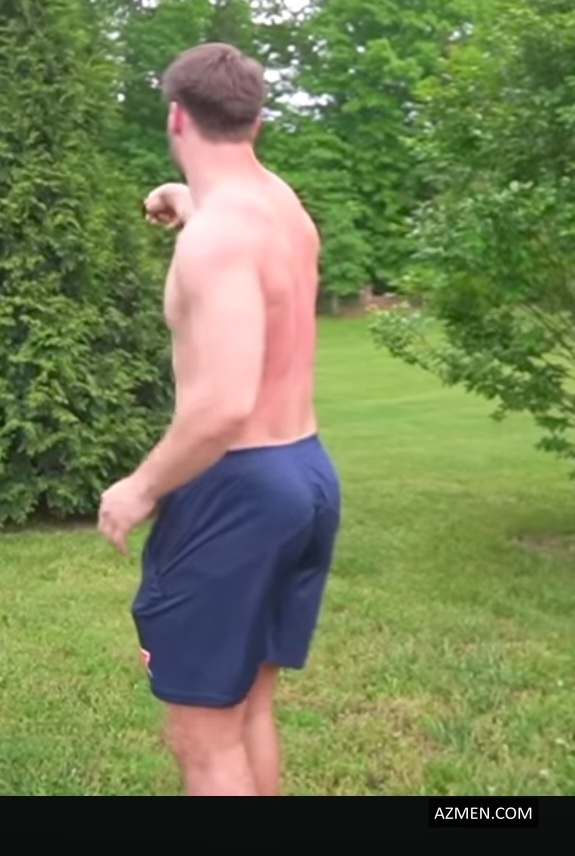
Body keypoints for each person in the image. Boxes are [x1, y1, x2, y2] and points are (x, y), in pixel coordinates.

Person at [98, 42, 341, 797]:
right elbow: (239, 240)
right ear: (255, 121)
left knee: (202, 739)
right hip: (305, 470)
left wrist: (140, 487)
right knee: (248, 707)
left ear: (176, 116)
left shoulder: (216, 241)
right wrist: (186, 195)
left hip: (234, 487)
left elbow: (225, 403)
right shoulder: (281, 207)